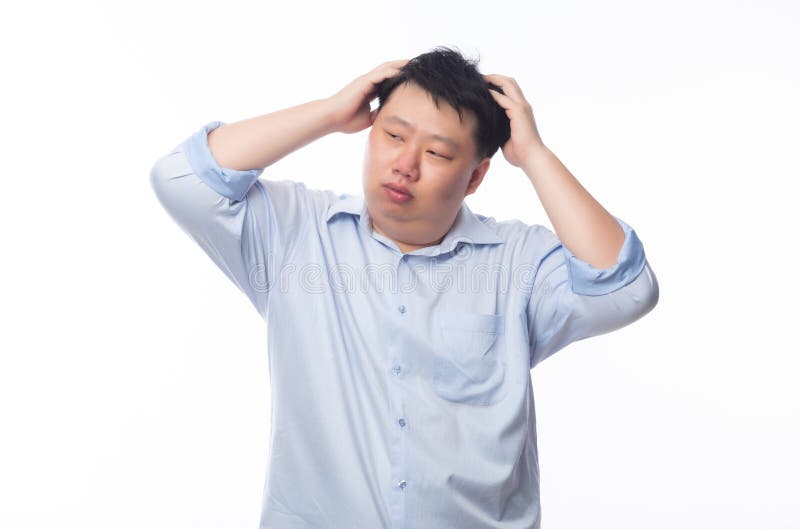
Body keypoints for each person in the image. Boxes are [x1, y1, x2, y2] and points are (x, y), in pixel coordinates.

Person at [150, 46, 659, 529]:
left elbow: (627, 287)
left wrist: (533, 154)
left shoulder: (517, 263)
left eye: (437, 152)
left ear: (476, 176)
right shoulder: (294, 234)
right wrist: (328, 112)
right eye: (393, 136)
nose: (405, 165)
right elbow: (182, 178)